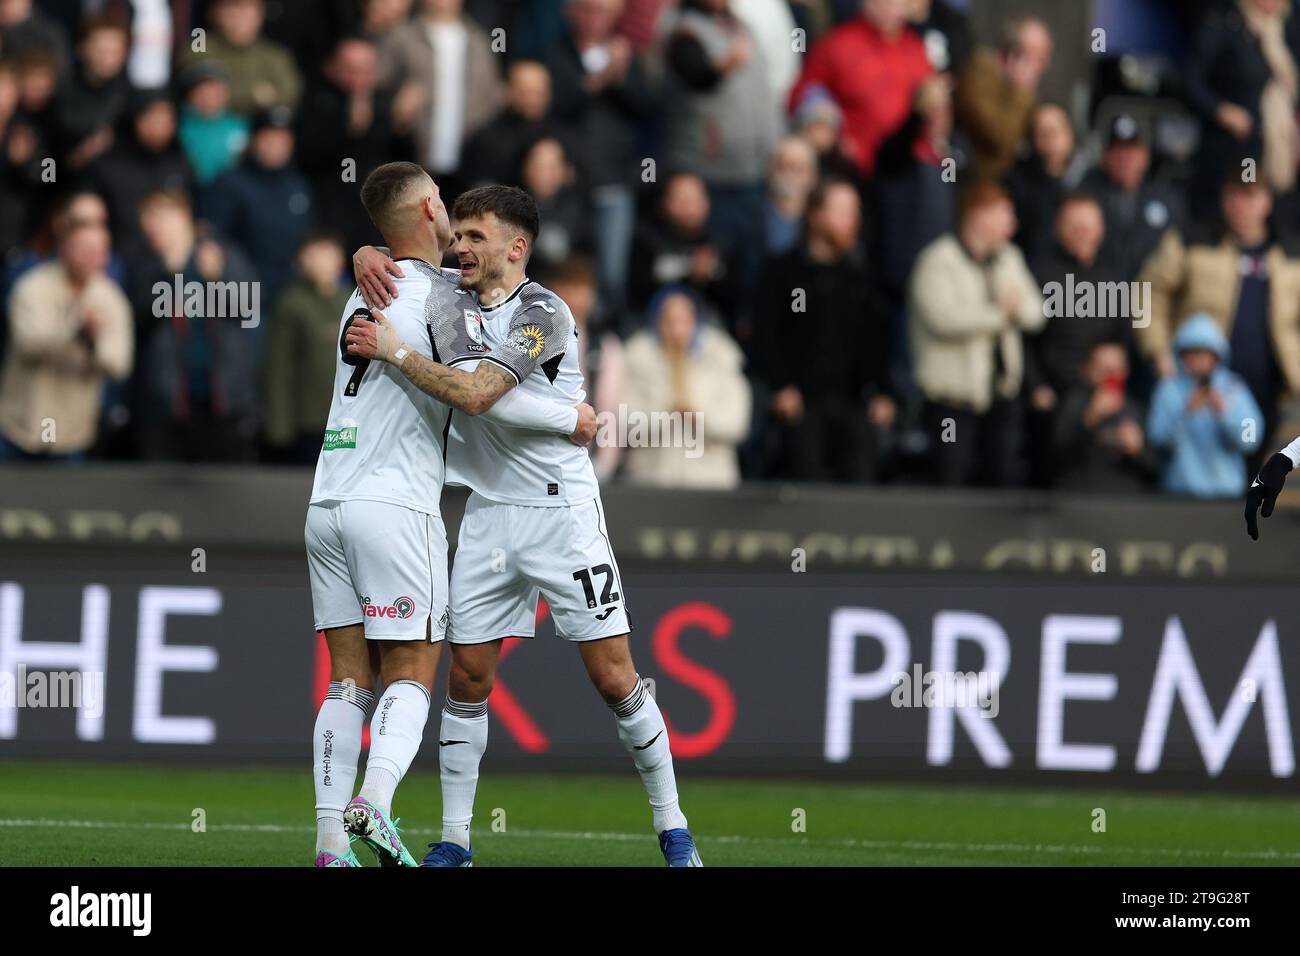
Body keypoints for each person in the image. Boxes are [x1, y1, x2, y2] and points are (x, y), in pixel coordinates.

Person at [349, 184, 703, 867]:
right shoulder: (449, 301)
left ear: (517, 247)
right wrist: (365, 249)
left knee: (614, 677)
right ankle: (455, 839)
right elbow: (466, 386)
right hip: (486, 513)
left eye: (476, 237)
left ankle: (673, 826)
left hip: (560, 514)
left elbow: (478, 395)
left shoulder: (546, 312)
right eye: (459, 235)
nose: (459, 247)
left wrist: (395, 352)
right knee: (469, 678)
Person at [306, 164, 594, 867]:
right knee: (410, 671)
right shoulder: (442, 298)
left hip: (326, 500)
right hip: (396, 506)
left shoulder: (361, 289)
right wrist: (570, 418)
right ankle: (374, 801)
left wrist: (364, 250)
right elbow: (475, 391)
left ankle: (328, 844)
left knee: (349, 678)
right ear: (434, 206)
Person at [1137, 175, 1300, 453]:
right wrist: (1158, 350)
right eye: (1233, 196)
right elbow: (1146, 290)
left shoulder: (1290, 252)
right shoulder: (1192, 240)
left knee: (1256, 464)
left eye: (1250, 197)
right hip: (1199, 382)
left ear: (1267, 201)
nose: (1240, 206)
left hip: (1268, 387)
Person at [755, 178, 895, 482]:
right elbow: (765, 335)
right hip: (801, 401)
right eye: (843, 212)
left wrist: (884, 391)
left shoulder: (861, 277)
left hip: (853, 401)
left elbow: (877, 340)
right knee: (805, 473)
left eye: (855, 213)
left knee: (862, 474)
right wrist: (782, 386)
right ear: (816, 216)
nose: (852, 222)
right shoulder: (784, 272)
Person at [909, 181, 1044, 486]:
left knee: (1003, 479)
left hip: (1001, 393)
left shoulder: (1009, 258)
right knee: (950, 476)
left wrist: (1012, 310)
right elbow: (943, 319)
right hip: (952, 399)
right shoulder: (938, 260)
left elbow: (1036, 312)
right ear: (978, 215)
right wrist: (1000, 314)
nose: (1013, 224)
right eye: (1004, 214)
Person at [0, 220, 132, 462]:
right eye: (84, 249)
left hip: (70, 435)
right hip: (18, 427)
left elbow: (118, 364)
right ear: (64, 248)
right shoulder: (32, 287)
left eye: (99, 250)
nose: (92, 257)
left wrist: (92, 343)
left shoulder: (111, 299)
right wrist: (74, 330)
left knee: (62, 498)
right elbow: (29, 343)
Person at [621, 286, 751, 488]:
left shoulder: (722, 359)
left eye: (684, 320)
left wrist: (698, 416)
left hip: (711, 482)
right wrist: (666, 413)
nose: (676, 330)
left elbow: (736, 424)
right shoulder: (637, 360)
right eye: (668, 321)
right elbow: (622, 422)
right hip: (652, 479)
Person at [788, 0, 932, 179]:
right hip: (854, 167)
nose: (887, 8)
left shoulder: (916, 49)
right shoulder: (837, 44)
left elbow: (931, 105)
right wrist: (824, 120)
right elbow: (801, 94)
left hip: (907, 165)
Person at [262, 232, 355, 463]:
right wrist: (279, 427)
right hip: (307, 420)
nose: (322, 262)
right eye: (314, 254)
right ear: (301, 260)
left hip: (347, 418)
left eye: (328, 253)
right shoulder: (291, 304)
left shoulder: (353, 299)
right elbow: (278, 369)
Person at [1147, 313, 1263, 499]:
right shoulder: (1168, 389)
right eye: (1188, 352)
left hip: (1226, 493)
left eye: (1201, 352)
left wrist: (1225, 412)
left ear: (1215, 355)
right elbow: (1157, 439)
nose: (1194, 359)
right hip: (1179, 494)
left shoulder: (1234, 388)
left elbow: (1251, 441)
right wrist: (1186, 412)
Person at [1078, 113, 1184, 282]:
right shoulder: (1085, 195)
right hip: (1097, 292)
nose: (1125, 159)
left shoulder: (1167, 198)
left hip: (1151, 292)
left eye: (1132, 152)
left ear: (1145, 156)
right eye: (1118, 152)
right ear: (1105, 156)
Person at [1053, 339, 1158, 494]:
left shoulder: (1136, 409)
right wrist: (1091, 417)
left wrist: (1138, 449)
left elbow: (1154, 468)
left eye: (1116, 370)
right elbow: (1056, 454)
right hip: (1079, 500)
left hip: (1127, 503)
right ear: (1086, 370)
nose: (1110, 377)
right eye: (1103, 369)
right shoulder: (1074, 403)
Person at [955, 16, 1052, 181]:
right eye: (1036, 57)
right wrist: (1021, 91)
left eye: (1044, 58)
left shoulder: (1023, 94)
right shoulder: (982, 71)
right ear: (1012, 54)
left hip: (1002, 185)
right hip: (969, 183)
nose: (1042, 66)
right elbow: (999, 138)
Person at [182, 0, 302, 115]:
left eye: (248, 11)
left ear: (261, 14)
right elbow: (200, 94)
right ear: (215, 13)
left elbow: (290, 94)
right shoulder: (200, 44)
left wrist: (227, 96)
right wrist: (255, 96)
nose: (239, 19)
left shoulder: (275, 54)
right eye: (232, 10)